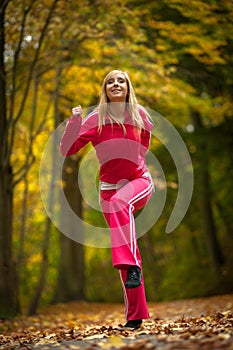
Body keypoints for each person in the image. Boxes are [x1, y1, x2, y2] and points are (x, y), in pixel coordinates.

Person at [60, 69, 154, 330]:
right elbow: (67, 149)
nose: (115, 84)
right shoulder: (94, 119)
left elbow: (144, 146)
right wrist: (74, 122)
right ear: (104, 89)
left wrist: (133, 168)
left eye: (120, 80)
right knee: (128, 254)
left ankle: (131, 265)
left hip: (139, 183)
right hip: (108, 190)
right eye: (110, 81)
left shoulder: (140, 115)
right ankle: (135, 317)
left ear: (127, 87)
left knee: (120, 205)